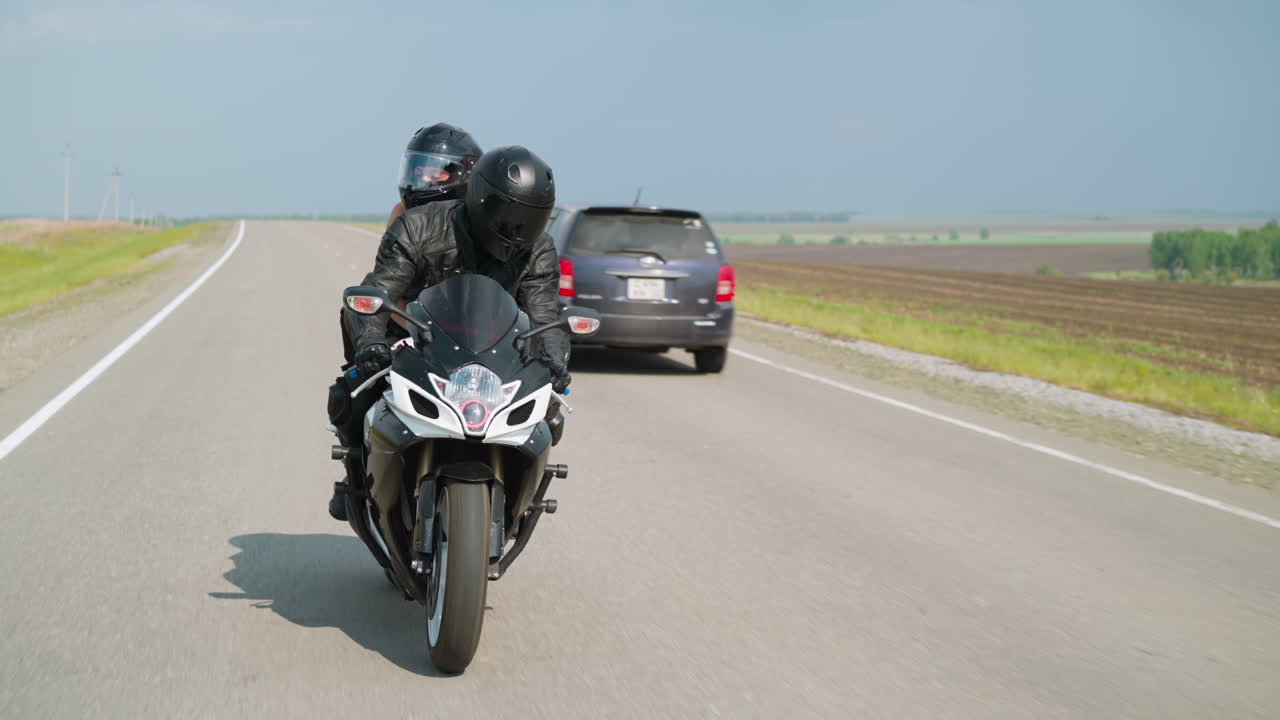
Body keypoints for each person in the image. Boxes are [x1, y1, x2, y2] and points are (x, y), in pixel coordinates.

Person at [327, 145, 570, 520]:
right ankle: (354, 482)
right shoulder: (419, 226)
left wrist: (554, 359)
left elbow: (544, 314)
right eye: (510, 216)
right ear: (482, 199)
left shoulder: (538, 250)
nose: (518, 229)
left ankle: (520, 503)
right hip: (416, 341)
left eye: (531, 219)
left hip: (495, 354)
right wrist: (371, 342)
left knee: (551, 416)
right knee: (353, 394)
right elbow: (381, 289)